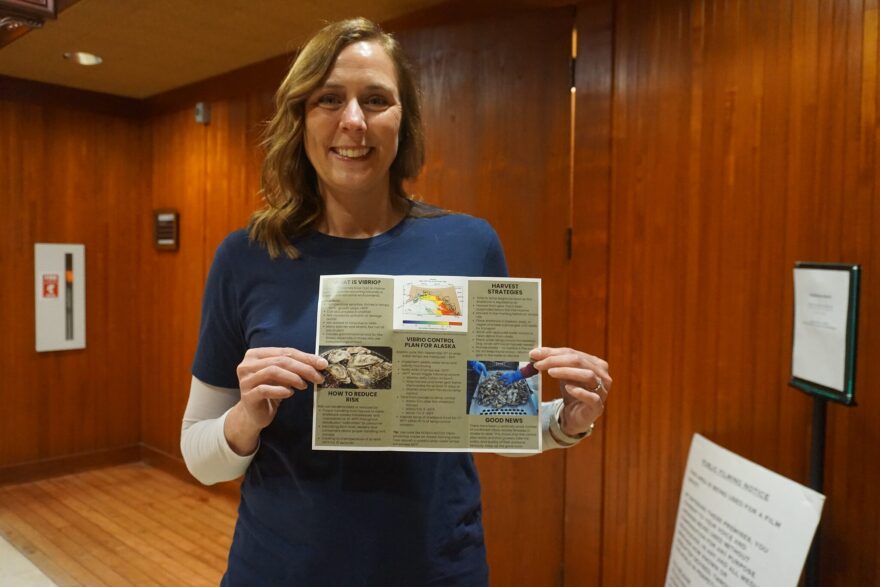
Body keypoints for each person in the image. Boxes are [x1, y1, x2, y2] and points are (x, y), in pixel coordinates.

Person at [180, 17, 612, 586]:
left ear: (402, 120)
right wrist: (243, 421)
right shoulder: (248, 256)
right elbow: (198, 452)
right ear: (301, 117)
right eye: (329, 99)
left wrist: (564, 421)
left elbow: (493, 417)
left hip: (434, 568)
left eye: (376, 99)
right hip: (282, 569)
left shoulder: (469, 245)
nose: (353, 122)